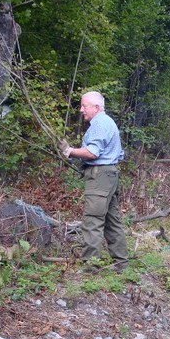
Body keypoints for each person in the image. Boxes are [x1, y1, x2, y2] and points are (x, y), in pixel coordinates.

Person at [59, 91, 128, 268]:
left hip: (100, 176)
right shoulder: (107, 122)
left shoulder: (100, 124)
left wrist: (70, 151)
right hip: (109, 175)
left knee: (92, 220)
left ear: (96, 107)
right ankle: (121, 263)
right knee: (112, 221)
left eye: (84, 106)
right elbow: (118, 153)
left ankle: (91, 266)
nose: (81, 110)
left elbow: (92, 152)